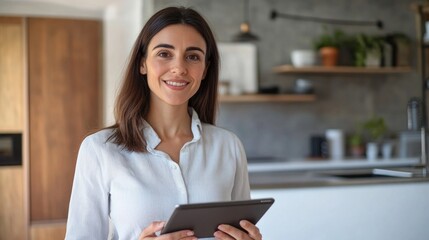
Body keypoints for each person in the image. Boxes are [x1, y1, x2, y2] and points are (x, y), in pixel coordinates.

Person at [65, 6, 262, 240]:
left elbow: (240, 229)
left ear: (205, 70)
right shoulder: (99, 149)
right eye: (164, 54)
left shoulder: (228, 145)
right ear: (142, 63)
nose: (179, 68)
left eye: (192, 56)